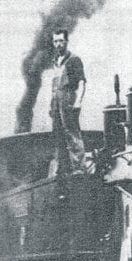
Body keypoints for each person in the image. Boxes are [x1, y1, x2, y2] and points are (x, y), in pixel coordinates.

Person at [50, 29, 87, 176]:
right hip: (56, 101)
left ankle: (79, 168)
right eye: (56, 41)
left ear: (66, 41)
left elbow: (82, 82)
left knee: (72, 134)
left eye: (61, 41)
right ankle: (62, 169)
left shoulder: (74, 60)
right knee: (58, 136)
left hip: (68, 98)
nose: (58, 44)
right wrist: (51, 105)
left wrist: (78, 101)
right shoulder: (55, 62)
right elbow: (54, 86)